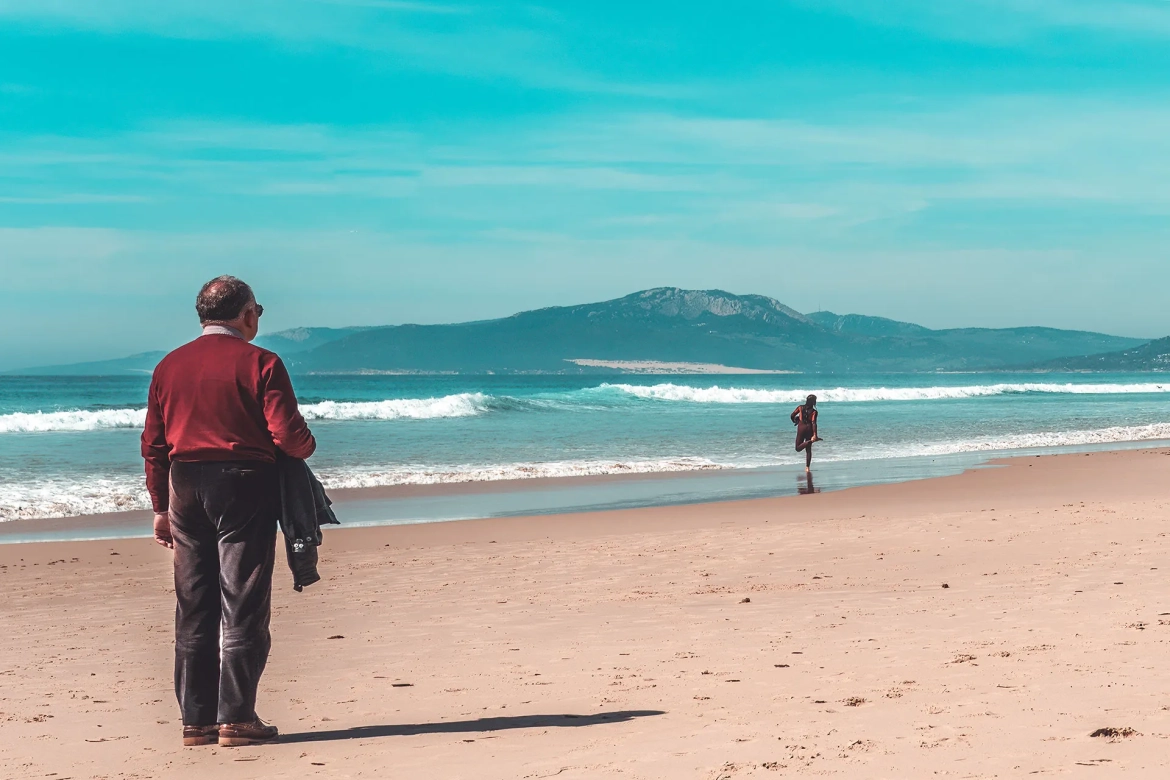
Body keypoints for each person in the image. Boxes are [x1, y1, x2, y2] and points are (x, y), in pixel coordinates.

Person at [142, 276, 316, 748]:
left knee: (193, 605)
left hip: (184, 485)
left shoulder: (168, 366)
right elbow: (288, 436)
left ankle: (195, 723)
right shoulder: (262, 362)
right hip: (243, 483)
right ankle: (236, 719)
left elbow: (154, 446)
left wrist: (160, 508)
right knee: (242, 600)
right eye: (257, 309)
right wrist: (308, 444)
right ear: (246, 315)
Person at [790, 394, 822, 472]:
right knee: (808, 449)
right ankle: (807, 467)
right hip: (809, 429)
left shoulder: (800, 408)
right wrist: (815, 434)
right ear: (813, 402)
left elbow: (792, 415)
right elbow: (814, 423)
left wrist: (795, 421)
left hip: (801, 428)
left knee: (798, 448)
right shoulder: (814, 412)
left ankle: (810, 441)